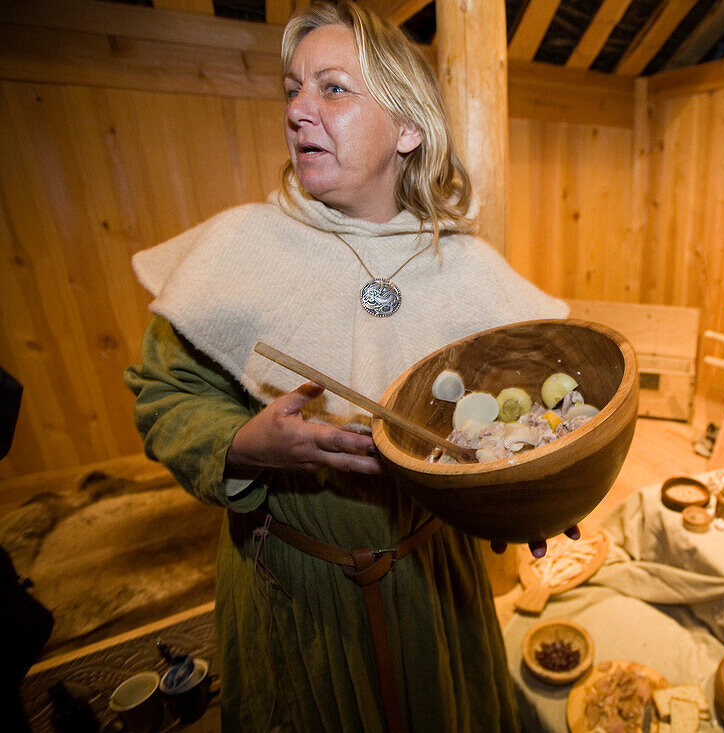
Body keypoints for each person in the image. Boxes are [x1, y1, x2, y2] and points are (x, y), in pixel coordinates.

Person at [123, 2, 568, 730]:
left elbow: (518, 417)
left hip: (432, 579)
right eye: (292, 89)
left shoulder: (464, 267)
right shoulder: (237, 250)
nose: (298, 110)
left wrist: (532, 493)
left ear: (407, 127)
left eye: (332, 88)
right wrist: (245, 444)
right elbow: (164, 396)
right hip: (294, 586)